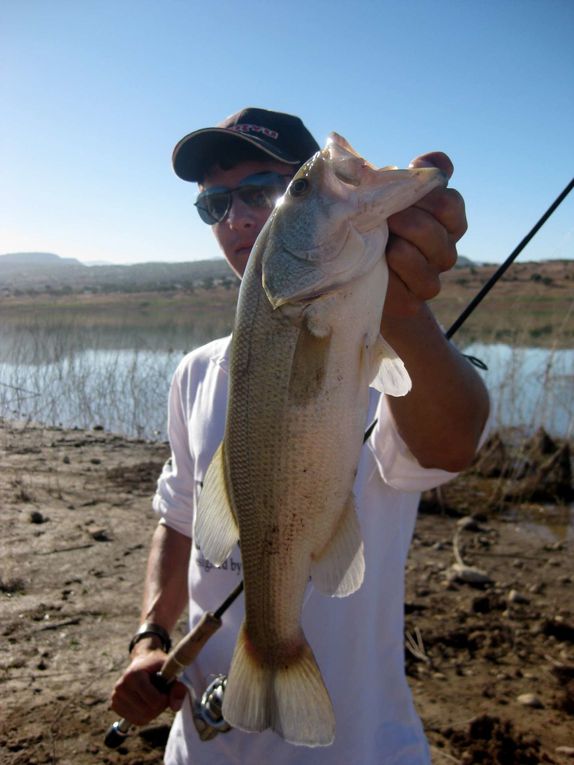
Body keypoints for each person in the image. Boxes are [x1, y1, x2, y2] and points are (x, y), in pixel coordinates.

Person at [111, 107, 490, 764]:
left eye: (266, 190)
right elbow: (178, 520)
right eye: (214, 204)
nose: (236, 218)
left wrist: (405, 313)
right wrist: (150, 632)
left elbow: (451, 442)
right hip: (201, 749)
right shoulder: (195, 372)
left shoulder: (385, 354)